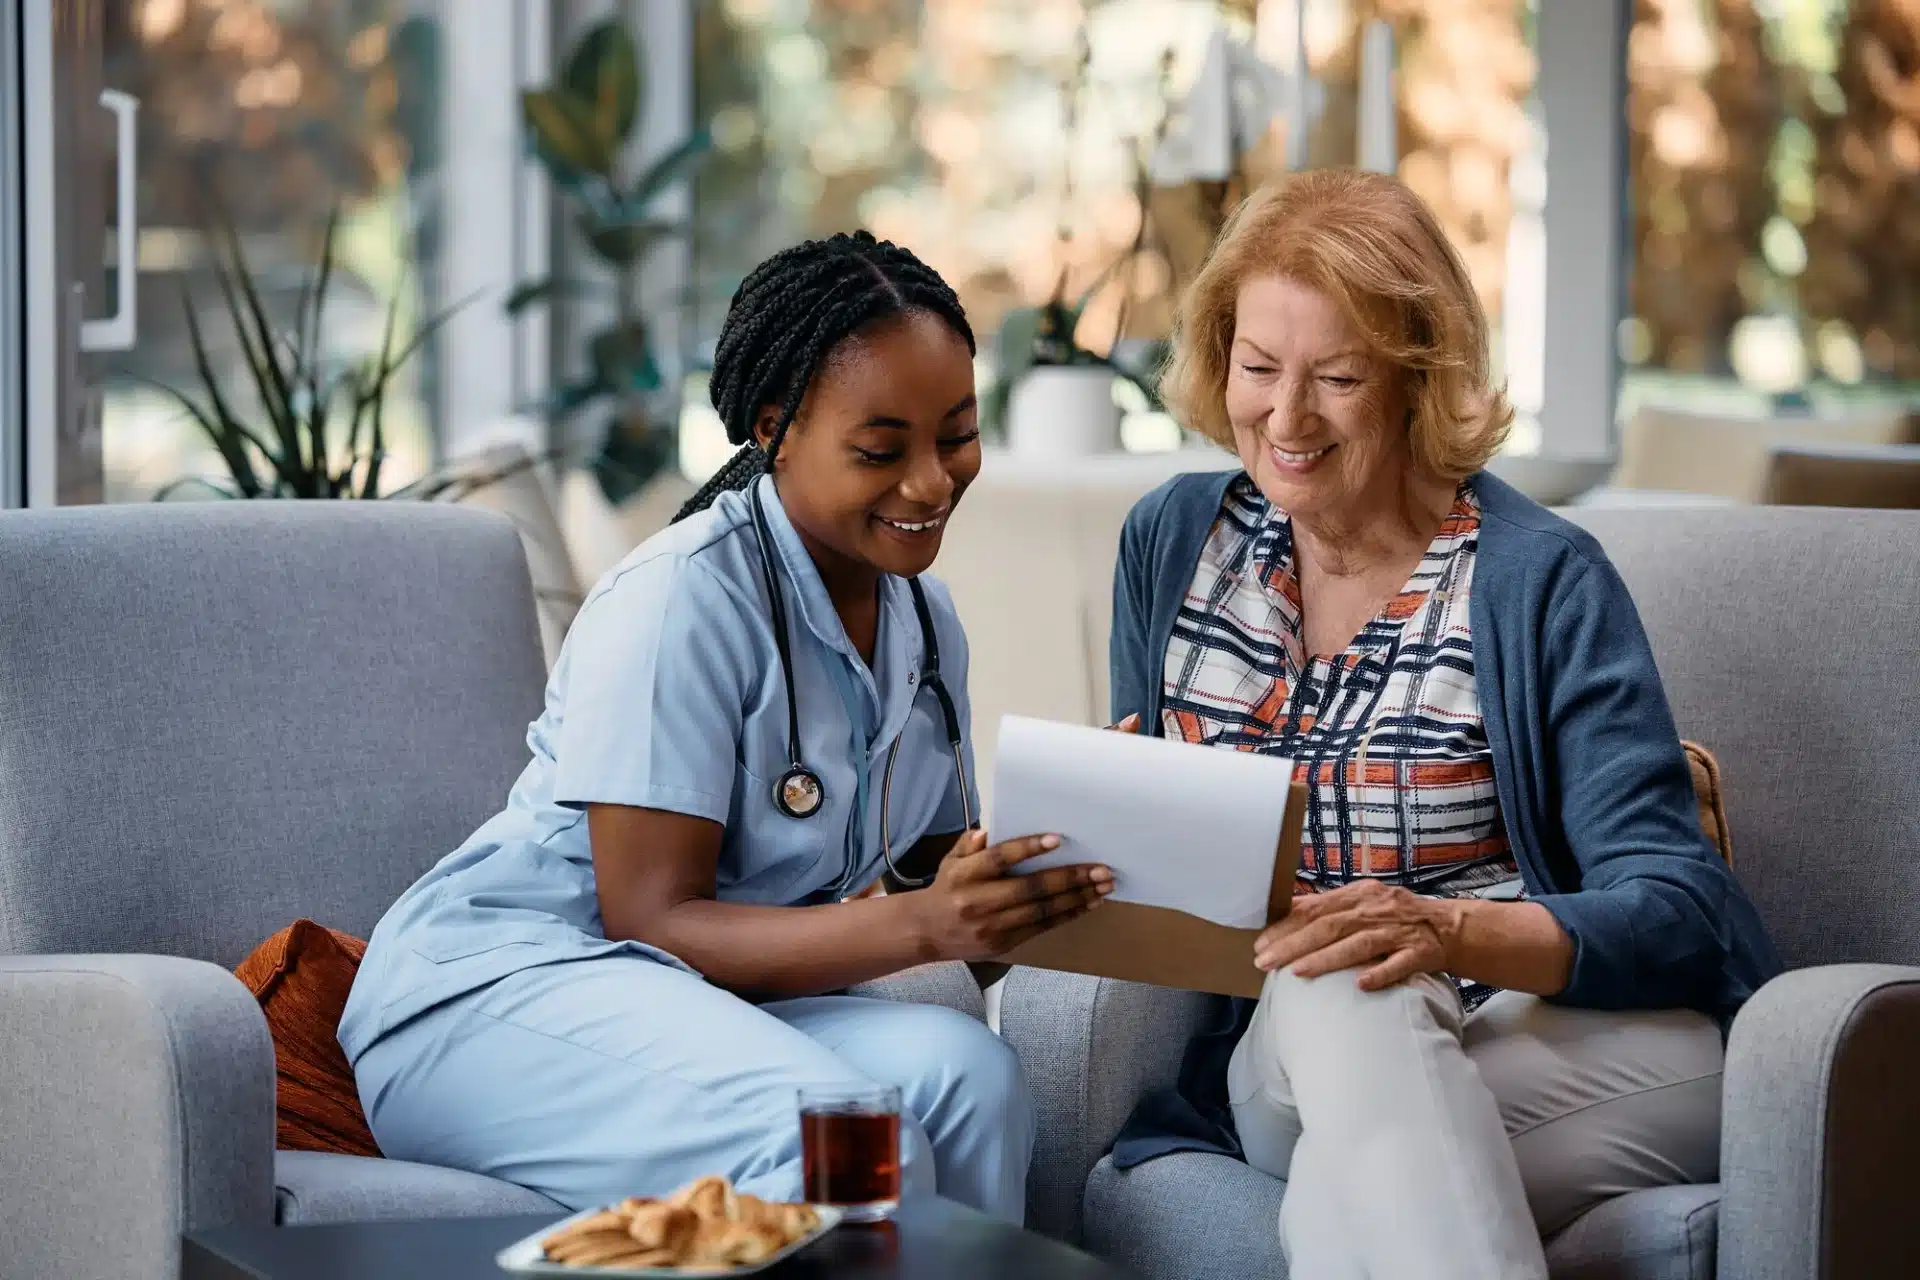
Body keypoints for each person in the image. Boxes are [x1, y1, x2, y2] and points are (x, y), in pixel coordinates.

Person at [338, 231, 1113, 1220]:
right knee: (841, 1133)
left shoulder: (925, 623)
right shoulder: (680, 598)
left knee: (972, 1077)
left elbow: (921, 891)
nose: (931, 481)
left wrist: (1033, 885)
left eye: (956, 434)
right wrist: (928, 918)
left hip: (693, 1006)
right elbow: (650, 917)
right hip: (493, 1000)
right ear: (775, 428)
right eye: (882, 448)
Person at [1104, 171, 1781, 1278]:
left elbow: (1679, 908)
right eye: (1259, 367)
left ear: (1419, 377)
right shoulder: (1173, 543)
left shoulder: (1540, 578)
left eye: (1336, 377)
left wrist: (1441, 927)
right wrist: (1065, 851)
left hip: (1567, 1033)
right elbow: (1156, 858)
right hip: (1288, 1047)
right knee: (1341, 975)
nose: (1285, 418)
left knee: (1359, 1162)